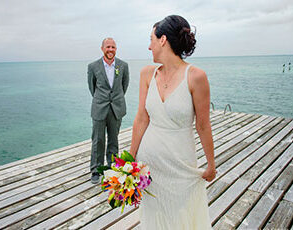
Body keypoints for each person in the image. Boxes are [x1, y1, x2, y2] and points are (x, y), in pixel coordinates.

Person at [129, 15, 216, 229]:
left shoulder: (196, 76)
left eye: (151, 40)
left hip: (181, 165)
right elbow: (141, 118)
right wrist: (129, 160)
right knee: (153, 218)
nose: (149, 47)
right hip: (149, 166)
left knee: (180, 217)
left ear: (163, 40)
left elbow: (203, 125)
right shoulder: (147, 74)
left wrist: (211, 164)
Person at [88, 38, 130, 184]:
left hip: (116, 108)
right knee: (98, 140)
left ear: (116, 49)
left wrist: (115, 100)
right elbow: (92, 88)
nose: (110, 49)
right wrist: (102, 99)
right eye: (108, 47)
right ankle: (95, 170)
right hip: (99, 108)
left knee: (114, 139)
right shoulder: (93, 66)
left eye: (113, 47)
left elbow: (124, 86)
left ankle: (111, 168)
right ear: (102, 49)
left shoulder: (123, 66)